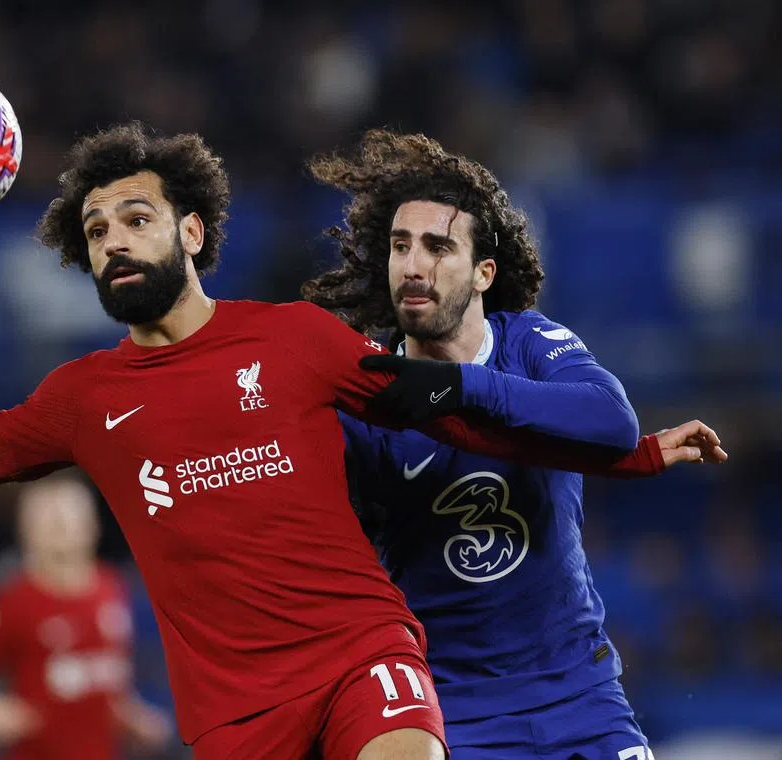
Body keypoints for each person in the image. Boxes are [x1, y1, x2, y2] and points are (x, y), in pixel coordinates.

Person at [0, 122, 711, 760]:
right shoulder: (83, 398)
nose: (114, 240)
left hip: (366, 657)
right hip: (232, 715)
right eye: (95, 231)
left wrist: (630, 453)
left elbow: (459, 417)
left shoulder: (301, 342)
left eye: (137, 216)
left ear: (193, 233)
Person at [302, 129, 727, 759]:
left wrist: (460, 389)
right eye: (400, 246)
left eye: (437, 247)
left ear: (483, 272)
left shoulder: (529, 342)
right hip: (453, 709)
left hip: (581, 693)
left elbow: (611, 418)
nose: (414, 265)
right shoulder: (367, 392)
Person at [0, 471, 171, 759]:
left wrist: (135, 719)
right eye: (48, 518)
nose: (60, 524)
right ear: (26, 531)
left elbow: (107, 682)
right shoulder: (11, 602)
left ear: (92, 524)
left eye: (68, 515)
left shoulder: (113, 589)